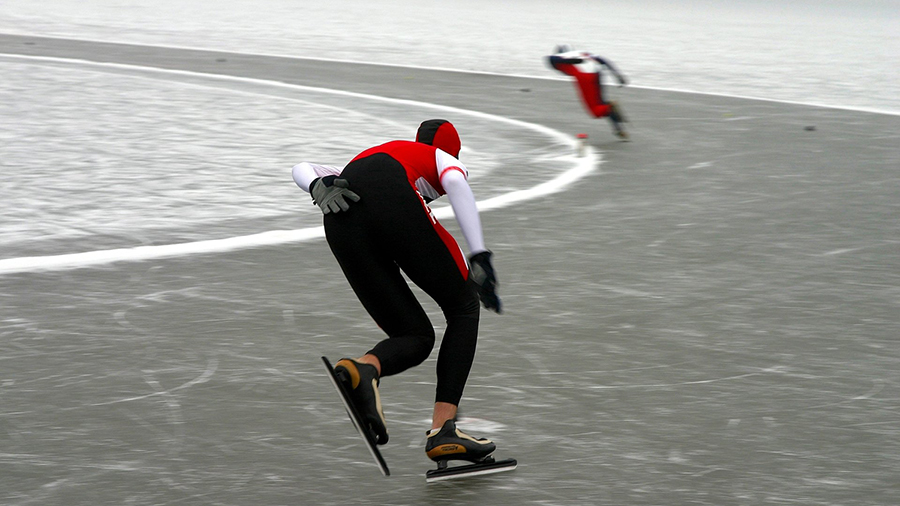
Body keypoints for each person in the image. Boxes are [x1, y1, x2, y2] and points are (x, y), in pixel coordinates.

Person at [291, 119, 502, 464]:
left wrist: (316, 185)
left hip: (339, 211)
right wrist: (479, 253)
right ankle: (443, 430)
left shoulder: (391, 154)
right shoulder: (441, 158)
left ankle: (363, 370)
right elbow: (454, 180)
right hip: (393, 198)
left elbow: (301, 167)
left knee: (413, 335)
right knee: (464, 307)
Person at [547, 44, 630, 139]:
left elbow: (551, 59)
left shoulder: (557, 58)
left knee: (595, 110)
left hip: (585, 76)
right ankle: (618, 129)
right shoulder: (582, 53)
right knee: (601, 103)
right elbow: (603, 60)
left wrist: (572, 61)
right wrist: (618, 75)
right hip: (597, 72)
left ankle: (611, 108)